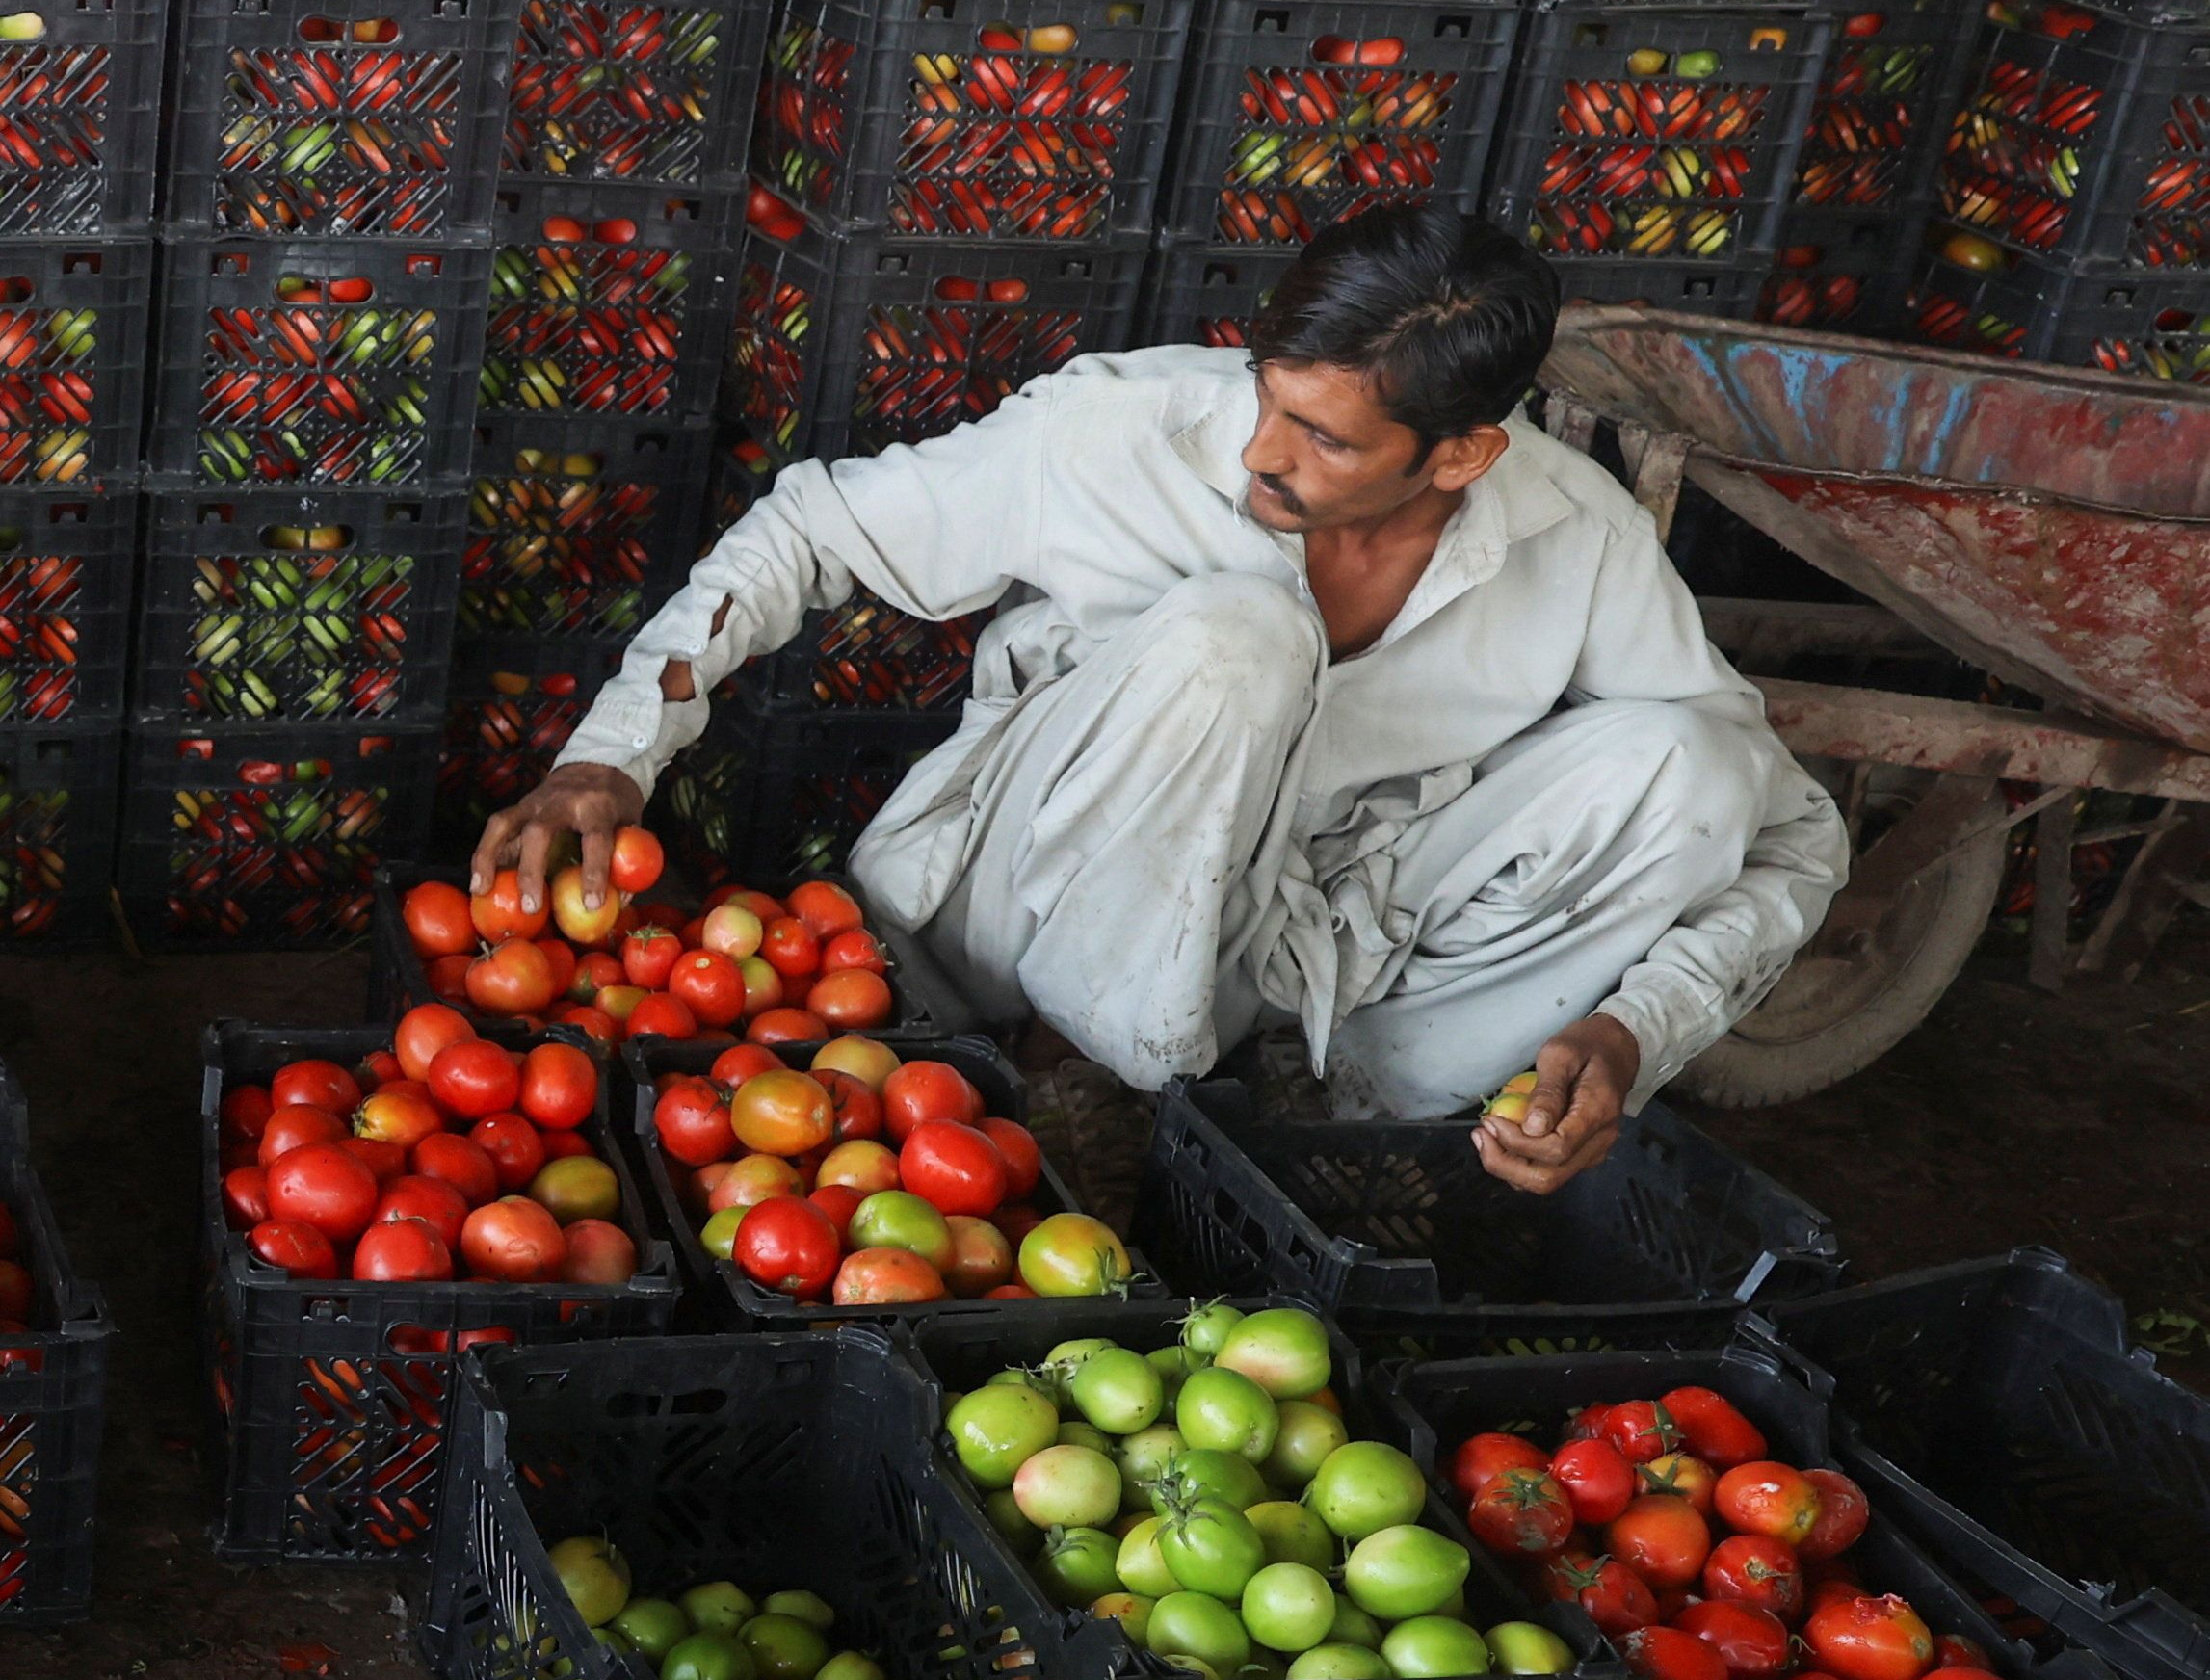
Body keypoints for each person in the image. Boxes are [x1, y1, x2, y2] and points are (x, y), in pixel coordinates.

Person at [474, 207, 1846, 1192]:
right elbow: (812, 527)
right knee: (1238, 634)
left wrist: (1630, 1025)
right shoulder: (1116, 431)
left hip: (1299, 962)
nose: (1257, 450)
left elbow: (1789, 837)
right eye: (1267, 396)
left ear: (1461, 454)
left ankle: (1364, 1149)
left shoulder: (1575, 534)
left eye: (1319, 438)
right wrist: (614, 755)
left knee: (1696, 768)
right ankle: (1081, 1094)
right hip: (1028, 914)